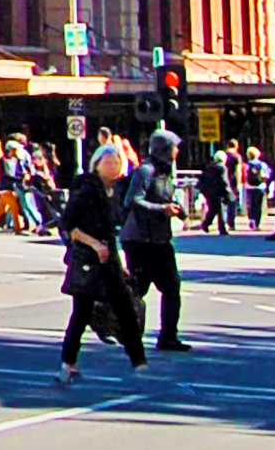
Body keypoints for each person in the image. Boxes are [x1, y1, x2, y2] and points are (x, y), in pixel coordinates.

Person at [58, 142, 149, 384]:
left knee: (125, 308)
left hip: (109, 260)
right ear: (96, 165)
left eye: (117, 162)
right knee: (81, 313)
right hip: (89, 261)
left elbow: (111, 231)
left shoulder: (114, 190)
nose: (113, 166)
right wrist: (95, 244)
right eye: (108, 162)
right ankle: (68, 363)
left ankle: (139, 360)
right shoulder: (87, 190)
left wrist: (118, 259)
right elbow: (69, 225)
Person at [121, 127, 194, 351]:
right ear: (163, 148)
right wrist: (162, 209)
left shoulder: (165, 171)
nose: (177, 152)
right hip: (140, 240)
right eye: (174, 148)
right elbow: (133, 200)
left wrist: (178, 210)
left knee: (171, 287)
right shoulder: (146, 170)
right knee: (137, 289)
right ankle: (121, 327)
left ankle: (168, 336)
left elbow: (166, 197)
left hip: (160, 239)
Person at [195, 140, 231, 234]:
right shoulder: (222, 168)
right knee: (220, 210)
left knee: (213, 209)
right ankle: (222, 228)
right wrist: (228, 191)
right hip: (218, 192)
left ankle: (205, 224)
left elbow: (202, 179)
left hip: (208, 192)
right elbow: (224, 180)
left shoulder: (209, 166)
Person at [242, 142, 271, 230]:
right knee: (258, 205)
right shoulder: (262, 165)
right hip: (260, 187)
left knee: (250, 204)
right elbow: (267, 175)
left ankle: (251, 219)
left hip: (249, 187)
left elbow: (243, 176)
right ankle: (257, 223)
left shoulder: (246, 165)